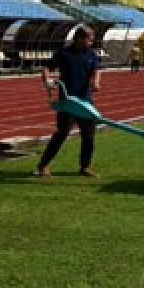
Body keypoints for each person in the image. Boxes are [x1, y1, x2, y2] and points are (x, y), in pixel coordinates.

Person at [34, 26, 102, 178]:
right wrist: (47, 80)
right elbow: (47, 68)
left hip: (85, 101)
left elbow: (96, 71)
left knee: (89, 136)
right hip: (68, 102)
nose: (91, 43)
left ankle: (84, 167)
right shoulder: (64, 53)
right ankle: (43, 165)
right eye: (88, 39)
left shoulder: (91, 55)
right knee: (61, 134)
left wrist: (95, 82)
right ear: (79, 38)